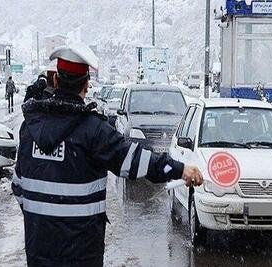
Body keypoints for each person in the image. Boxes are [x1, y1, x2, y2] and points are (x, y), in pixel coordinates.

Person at [11, 44, 203, 267]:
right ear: (86, 84)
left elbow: (18, 187)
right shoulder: (94, 132)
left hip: (39, 254)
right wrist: (179, 169)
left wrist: (44, 223)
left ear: (55, 81)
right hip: (82, 256)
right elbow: (138, 162)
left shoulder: (29, 129)